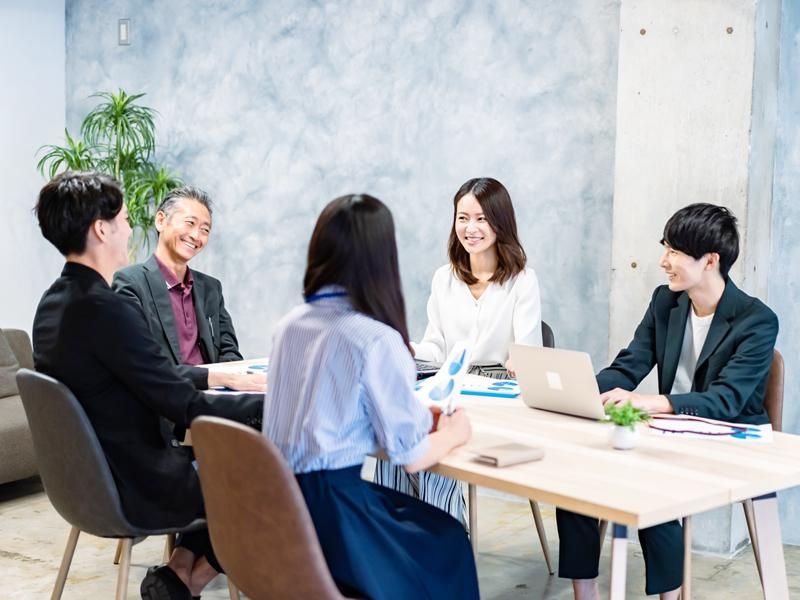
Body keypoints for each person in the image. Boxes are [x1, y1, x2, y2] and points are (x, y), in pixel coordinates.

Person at [32, 172, 263, 600]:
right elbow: (181, 402)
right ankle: (189, 581)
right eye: (123, 220)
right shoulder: (105, 310)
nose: (128, 229)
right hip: (140, 484)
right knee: (271, 472)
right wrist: (272, 404)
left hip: (90, 483)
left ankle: (178, 577)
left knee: (234, 463)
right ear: (101, 229)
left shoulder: (54, 303)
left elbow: (156, 381)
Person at [556, 203, 779, 600]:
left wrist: (651, 403)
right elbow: (630, 364)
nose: (663, 262)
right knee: (575, 475)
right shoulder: (666, 301)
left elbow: (726, 400)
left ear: (710, 260)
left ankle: (670, 596)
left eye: (674, 251)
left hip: (730, 438)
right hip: (667, 431)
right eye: (666, 249)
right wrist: (582, 392)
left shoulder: (756, 320)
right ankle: (585, 594)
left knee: (650, 487)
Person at [262, 194, 479, 600]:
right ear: (382, 259)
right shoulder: (375, 339)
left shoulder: (289, 326)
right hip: (334, 515)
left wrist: (412, 415)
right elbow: (410, 456)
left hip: (279, 507)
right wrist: (455, 433)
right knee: (447, 537)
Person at [376, 177, 542, 523]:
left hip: (497, 392)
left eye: (481, 218)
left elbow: (529, 352)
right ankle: (395, 527)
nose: (471, 228)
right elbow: (436, 348)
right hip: (450, 384)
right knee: (398, 429)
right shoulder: (444, 278)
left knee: (440, 434)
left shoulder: (523, 280)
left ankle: (444, 530)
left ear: (500, 222)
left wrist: (519, 360)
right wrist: (409, 348)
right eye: (463, 218)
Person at [113, 186, 263, 393]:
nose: (196, 235)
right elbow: (143, 364)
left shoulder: (211, 288)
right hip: (166, 400)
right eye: (190, 223)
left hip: (215, 398)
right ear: (161, 220)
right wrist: (216, 378)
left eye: (205, 230)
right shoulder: (130, 283)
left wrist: (233, 383)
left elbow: (230, 353)